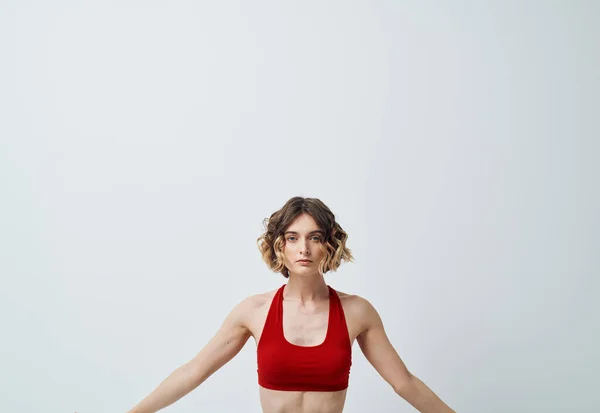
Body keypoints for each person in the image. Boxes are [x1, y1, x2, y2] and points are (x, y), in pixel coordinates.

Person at [125, 197, 456, 413]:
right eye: (293, 238)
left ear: (329, 246)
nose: (304, 249)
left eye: (314, 237)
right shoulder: (252, 311)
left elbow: (404, 383)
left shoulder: (358, 312)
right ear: (279, 247)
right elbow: (193, 372)